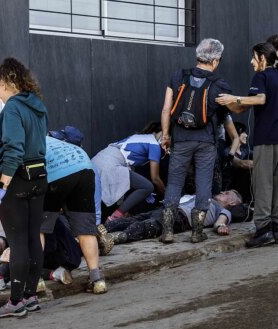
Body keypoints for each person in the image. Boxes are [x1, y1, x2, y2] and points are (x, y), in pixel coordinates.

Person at [0, 57, 48, 318]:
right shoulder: (37, 106)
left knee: (18, 242)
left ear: (8, 82)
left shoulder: (12, 108)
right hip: (39, 176)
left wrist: (1, 186)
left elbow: (13, 149)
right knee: (33, 239)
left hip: (16, 180)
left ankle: (15, 302)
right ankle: (31, 296)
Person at [160, 38, 232, 244]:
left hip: (181, 139)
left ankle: (167, 231)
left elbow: (166, 108)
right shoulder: (218, 84)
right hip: (206, 141)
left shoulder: (178, 76)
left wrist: (166, 135)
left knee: (174, 182)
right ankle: (197, 231)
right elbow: (226, 114)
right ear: (216, 60)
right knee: (204, 183)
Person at [216, 42, 278, 248]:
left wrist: (234, 97)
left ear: (262, 58)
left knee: (263, 184)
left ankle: (263, 230)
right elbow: (243, 108)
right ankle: (275, 228)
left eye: (254, 57)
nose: (251, 62)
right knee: (276, 185)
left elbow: (259, 99)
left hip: (266, 139)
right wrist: (230, 104)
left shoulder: (261, 76)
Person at [41, 135, 108, 294]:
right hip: (84, 167)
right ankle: (97, 279)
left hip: (56, 172)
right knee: (85, 231)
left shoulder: (17, 140)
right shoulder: (55, 141)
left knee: (39, 228)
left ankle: (35, 281)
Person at [103, 190, 242, 244]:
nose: (223, 191)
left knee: (149, 225)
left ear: (232, 202)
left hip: (181, 218)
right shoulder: (205, 197)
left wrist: (221, 227)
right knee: (134, 219)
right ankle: (101, 229)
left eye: (227, 193)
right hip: (166, 209)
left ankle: (116, 238)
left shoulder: (221, 209)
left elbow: (221, 222)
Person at [92, 121, 165, 223]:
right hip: (110, 163)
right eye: (168, 134)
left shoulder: (139, 137)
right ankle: (115, 217)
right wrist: (167, 196)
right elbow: (155, 179)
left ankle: (116, 216)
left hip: (97, 161)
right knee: (147, 187)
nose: (168, 139)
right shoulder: (153, 144)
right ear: (161, 131)